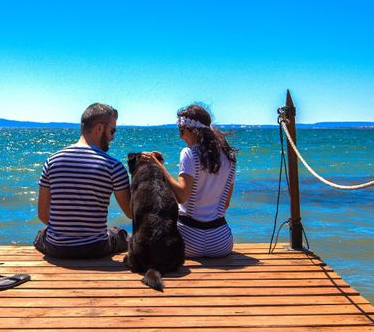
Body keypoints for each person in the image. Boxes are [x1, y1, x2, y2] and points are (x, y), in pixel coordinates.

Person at [34, 103, 132, 259]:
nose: (113, 137)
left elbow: (42, 214)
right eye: (112, 131)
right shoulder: (113, 166)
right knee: (120, 234)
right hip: (95, 248)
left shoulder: (52, 161)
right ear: (99, 128)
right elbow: (131, 213)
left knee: (41, 234)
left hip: (56, 248)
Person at [143, 104, 237, 257]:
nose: (180, 136)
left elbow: (182, 195)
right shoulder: (230, 157)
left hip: (188, 241)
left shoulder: (189, 153)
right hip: (221, 242)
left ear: (194, 130)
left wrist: (158, 166)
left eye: (181, 131)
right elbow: (225, 204)